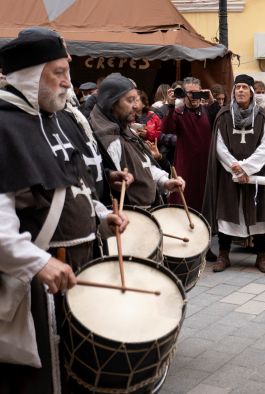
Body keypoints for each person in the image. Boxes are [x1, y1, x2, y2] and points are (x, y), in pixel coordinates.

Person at [0, 27, 128, 393]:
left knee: (80, 367)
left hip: (78, 262)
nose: (68, 84)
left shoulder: (57, 118)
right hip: (37, 278)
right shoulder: (5, 125)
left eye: (67, 72)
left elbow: (77, 185)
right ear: (29, 75)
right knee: (44, 375)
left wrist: (103, 216)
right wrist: (37, 262)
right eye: (58, 72)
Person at [203, 74, 265, 273]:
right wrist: (235, 168)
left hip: (254, 174)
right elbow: (219, 146)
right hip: (229, 174)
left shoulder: (261, 116)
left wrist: (247, 168)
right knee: (227, 213)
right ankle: (223, 254)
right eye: (237, 87)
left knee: (258, 215)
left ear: (251, 92)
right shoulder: (223, 115)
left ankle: (261, 256)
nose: (240, 91)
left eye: (244, 88)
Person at [91, 73, 185, 208]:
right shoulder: (109, 140)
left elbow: (144, 166)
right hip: (130, 219)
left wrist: (165, 182)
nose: (136, 106)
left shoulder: (126, 130)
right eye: (130, 100)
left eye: (136, 100)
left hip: (147, 212)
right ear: (111, 102)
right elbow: (113, 192)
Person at [161, 77, 220, 214]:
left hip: (206, 165)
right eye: (188, 92)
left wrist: (213, 103)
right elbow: (167, 130)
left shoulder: (207, 111)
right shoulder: (178, 112)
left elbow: (222, 124)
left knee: (204, 203)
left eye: (196, 92)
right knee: (183, 202)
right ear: (182, 92)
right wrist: (170, 105)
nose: (192, 96)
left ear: (202, 92)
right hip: (185, 165)